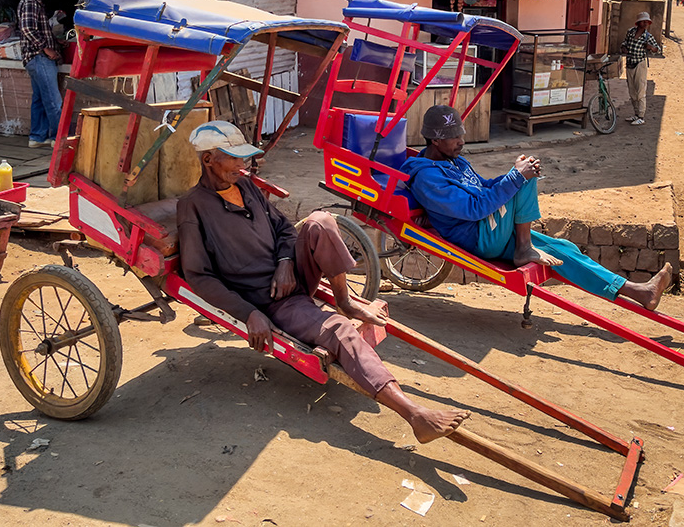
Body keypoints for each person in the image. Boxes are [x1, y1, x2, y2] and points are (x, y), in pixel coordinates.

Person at [177, 120, 469, 444]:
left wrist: (285, 263)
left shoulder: (247, 187)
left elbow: (285, 230)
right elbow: (198, 276)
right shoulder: (193, 207)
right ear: (208, 160)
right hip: (270, 299)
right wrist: (250, 313)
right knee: (340, 332)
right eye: (232, 158)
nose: (241, 164)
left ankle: (346, 302)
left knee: (321, 220)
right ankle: (414, 414)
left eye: (241, 157)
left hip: (290, 274)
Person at [401, 106, 673, 310]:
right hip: (480, 236)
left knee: (563, 250)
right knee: (524, 178)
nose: (461, 141)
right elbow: (475, 208)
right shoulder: (428, 177)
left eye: (461, 134)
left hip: (494, 229)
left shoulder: (455, 161)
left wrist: (510, 173)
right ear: (435, 141)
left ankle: (639, 291)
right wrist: (516, 176)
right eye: (453, 137)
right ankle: (523, 248)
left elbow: (484, 186)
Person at [17, 0, 63, 149]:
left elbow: (36, 30)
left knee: (40, 99)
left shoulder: (36, 4)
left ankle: (37, 137)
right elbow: (28, 29)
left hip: (35, 58)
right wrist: (46, 48)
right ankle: (59, 138)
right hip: (39, 57)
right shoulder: (30, 3)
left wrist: (56, 42)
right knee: (53, 100)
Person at [619, 11, 661, 126]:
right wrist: (623, 47)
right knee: (632, 91)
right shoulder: (630, 32)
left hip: (640, 64)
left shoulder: (648, 36)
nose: (645, 23)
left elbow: (658, 49)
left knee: (640, 91)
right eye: (643, 21)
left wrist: (651, 48)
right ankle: (636, 114)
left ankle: (641, 116)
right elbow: (624, 42)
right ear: (638, 23)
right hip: (629, 63)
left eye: (646, 21)